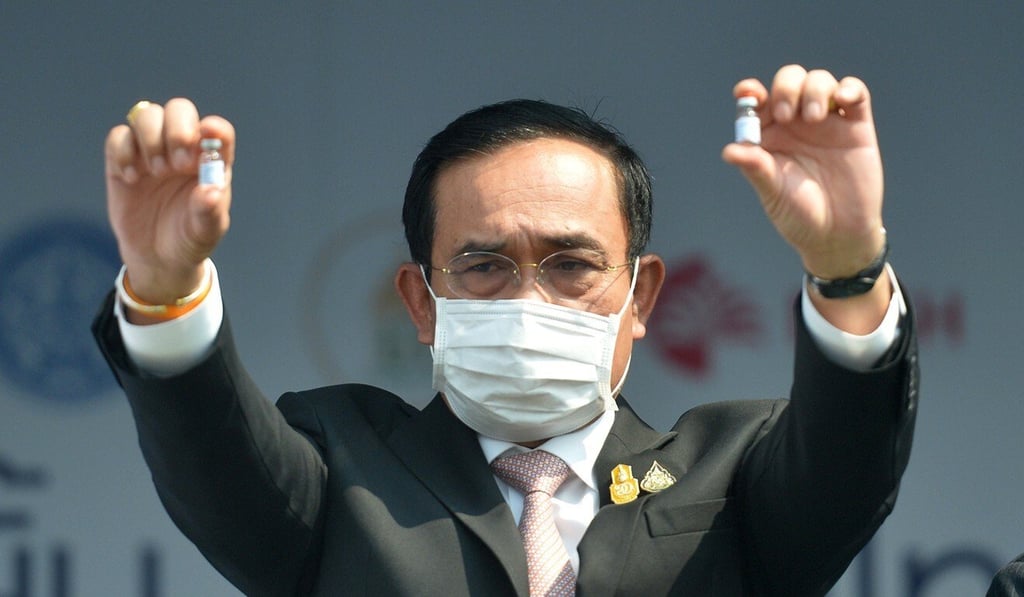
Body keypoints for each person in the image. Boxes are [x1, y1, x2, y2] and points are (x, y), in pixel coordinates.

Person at [93, 64, 918, 596]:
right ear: (421, 302)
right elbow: (213, 458)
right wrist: (166, 289)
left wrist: (846, 264)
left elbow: (845, 457)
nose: (531, 300)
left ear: (641, 295)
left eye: (571, 264)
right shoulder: (339, 467)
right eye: (485, 266)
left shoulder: (733, 475)